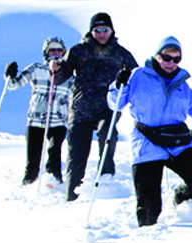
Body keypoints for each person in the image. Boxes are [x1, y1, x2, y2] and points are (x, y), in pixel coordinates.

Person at [107, 37, 192, 227]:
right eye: (167, 57)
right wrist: (118, 85)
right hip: (146, 143)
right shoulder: (138, 76)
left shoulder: (182, 83)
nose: (172, 63)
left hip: (176, 142)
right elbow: (116, 103)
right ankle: (147, 239)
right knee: (149, 204)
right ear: (157, 56)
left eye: (176, 59)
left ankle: (180, 201)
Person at [58, 12, 138, 201]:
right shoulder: (78, 51)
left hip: (108, 106)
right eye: (97, 30)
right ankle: (73, 196)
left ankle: (106, 179)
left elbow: (137, 76)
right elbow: (62, 76)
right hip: (81, 109)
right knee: (76, 153)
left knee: (107, 133)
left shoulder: (121, 54)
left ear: (111, 30)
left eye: (105, 29)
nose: (101, 34)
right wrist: (56, 69)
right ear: (91, 31)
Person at [4, 37, 72, 187]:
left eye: (59, 50)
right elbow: (13, 85)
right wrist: (11, 75)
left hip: (58, 120)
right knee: (33, 158)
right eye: (52, 50)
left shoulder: (68, 73)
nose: (55, 53)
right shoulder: (36, 69)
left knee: (55, 153)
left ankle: (54, 185)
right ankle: (29, 185)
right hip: (36, 119)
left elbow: (77, 91)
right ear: (46, 53)